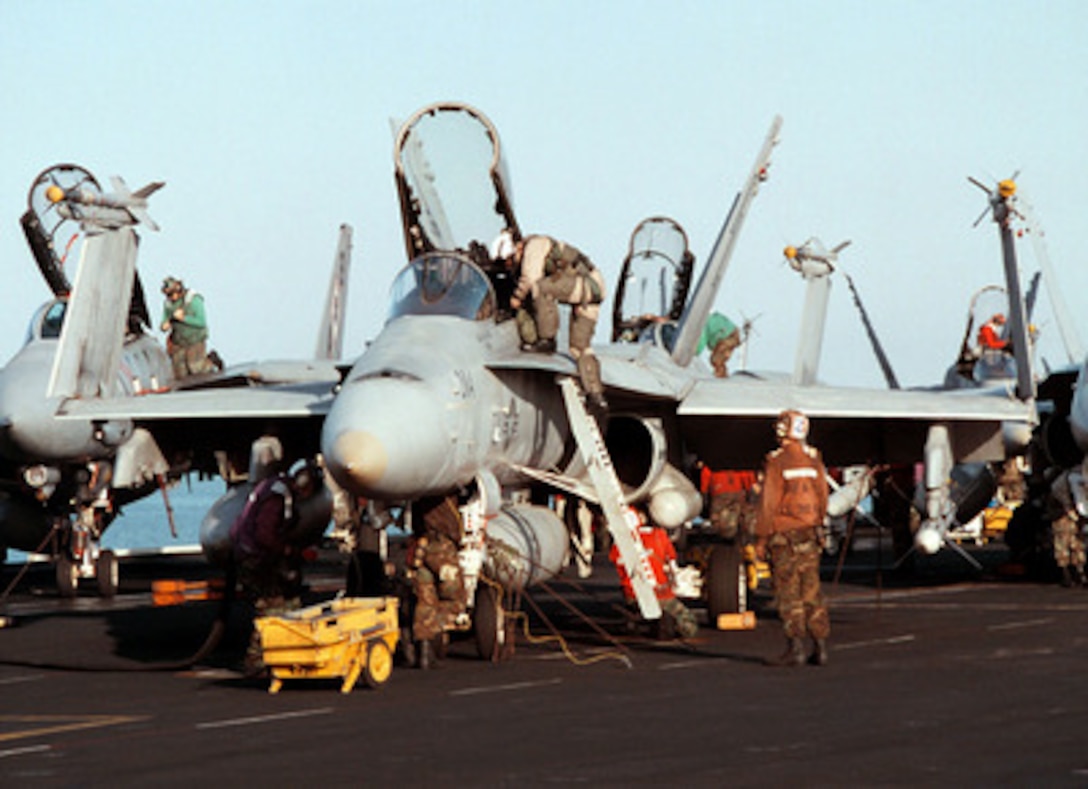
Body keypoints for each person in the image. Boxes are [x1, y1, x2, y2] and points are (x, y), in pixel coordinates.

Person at [754, 409, 831, 667]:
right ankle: (820, 647)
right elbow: (823, 495)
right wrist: (820, 526)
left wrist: (761, 539)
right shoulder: (813, 459)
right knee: (812, 590)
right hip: (810, 532)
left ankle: (796, 648)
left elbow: (769, 503)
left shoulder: (777, 461)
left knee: (788, 593)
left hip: (783, 536)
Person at [231, 462, 322, 675]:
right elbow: (265, 535)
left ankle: (274, 656)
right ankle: (257, 661)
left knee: (281, 605)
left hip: (249, 553)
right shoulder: (278, 497)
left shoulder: (273, 487)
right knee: (274, 609)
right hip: (257, 558)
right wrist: (290, 551)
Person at [509, 235, 608, 410]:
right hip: (594, 287)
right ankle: (596, 396)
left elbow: (530, 280)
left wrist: (516, 299)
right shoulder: (543, 246)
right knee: (580, 348)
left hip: (585, 286)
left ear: (518, 248)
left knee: (541, 288)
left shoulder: (534, 245)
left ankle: (547, 340)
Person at [609, 506, 698, 639]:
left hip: (633, 595)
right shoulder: (658, 535)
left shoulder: (620, 543)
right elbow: (672, 562)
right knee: (690, 626)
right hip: (661, 594)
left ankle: (639, 620)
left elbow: (617, 563)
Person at [406, 495, 471, 669]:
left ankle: (424, 651)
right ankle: (434, 631)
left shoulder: (418, 493)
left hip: (421, 548)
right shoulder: (445, 493)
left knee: (425, 602)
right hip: (442, 549)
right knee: (457, 600)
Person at [160, 276, 217, 377]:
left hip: (194, 340)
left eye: (172, 294)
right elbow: (164, 320)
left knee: (196, 368)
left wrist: (184, 318)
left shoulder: (193, 300)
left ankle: (213, 364)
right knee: (180, 373)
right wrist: (165, 325)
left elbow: (201, 322)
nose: (170, 298)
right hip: (179, 341)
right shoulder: (168, 304)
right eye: (168, 295)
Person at [1046, 464, 1087, 588]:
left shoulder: (1078, 477)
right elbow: (1063, 500)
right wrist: (1071, 511)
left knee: (1077, 543)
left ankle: (1079, 571)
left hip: (1073, 507)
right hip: (1061, 511)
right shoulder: (1064, 484)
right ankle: (1067, 574)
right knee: (1063, 541)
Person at [697, 312, 742, 377]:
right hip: (731, 332)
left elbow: (698, 348)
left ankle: (720, 376)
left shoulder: (703, 325)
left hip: (727, 335)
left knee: (716, 359)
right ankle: (721, 374)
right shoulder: (707, 319)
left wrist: (692, 353)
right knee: (718, 360)